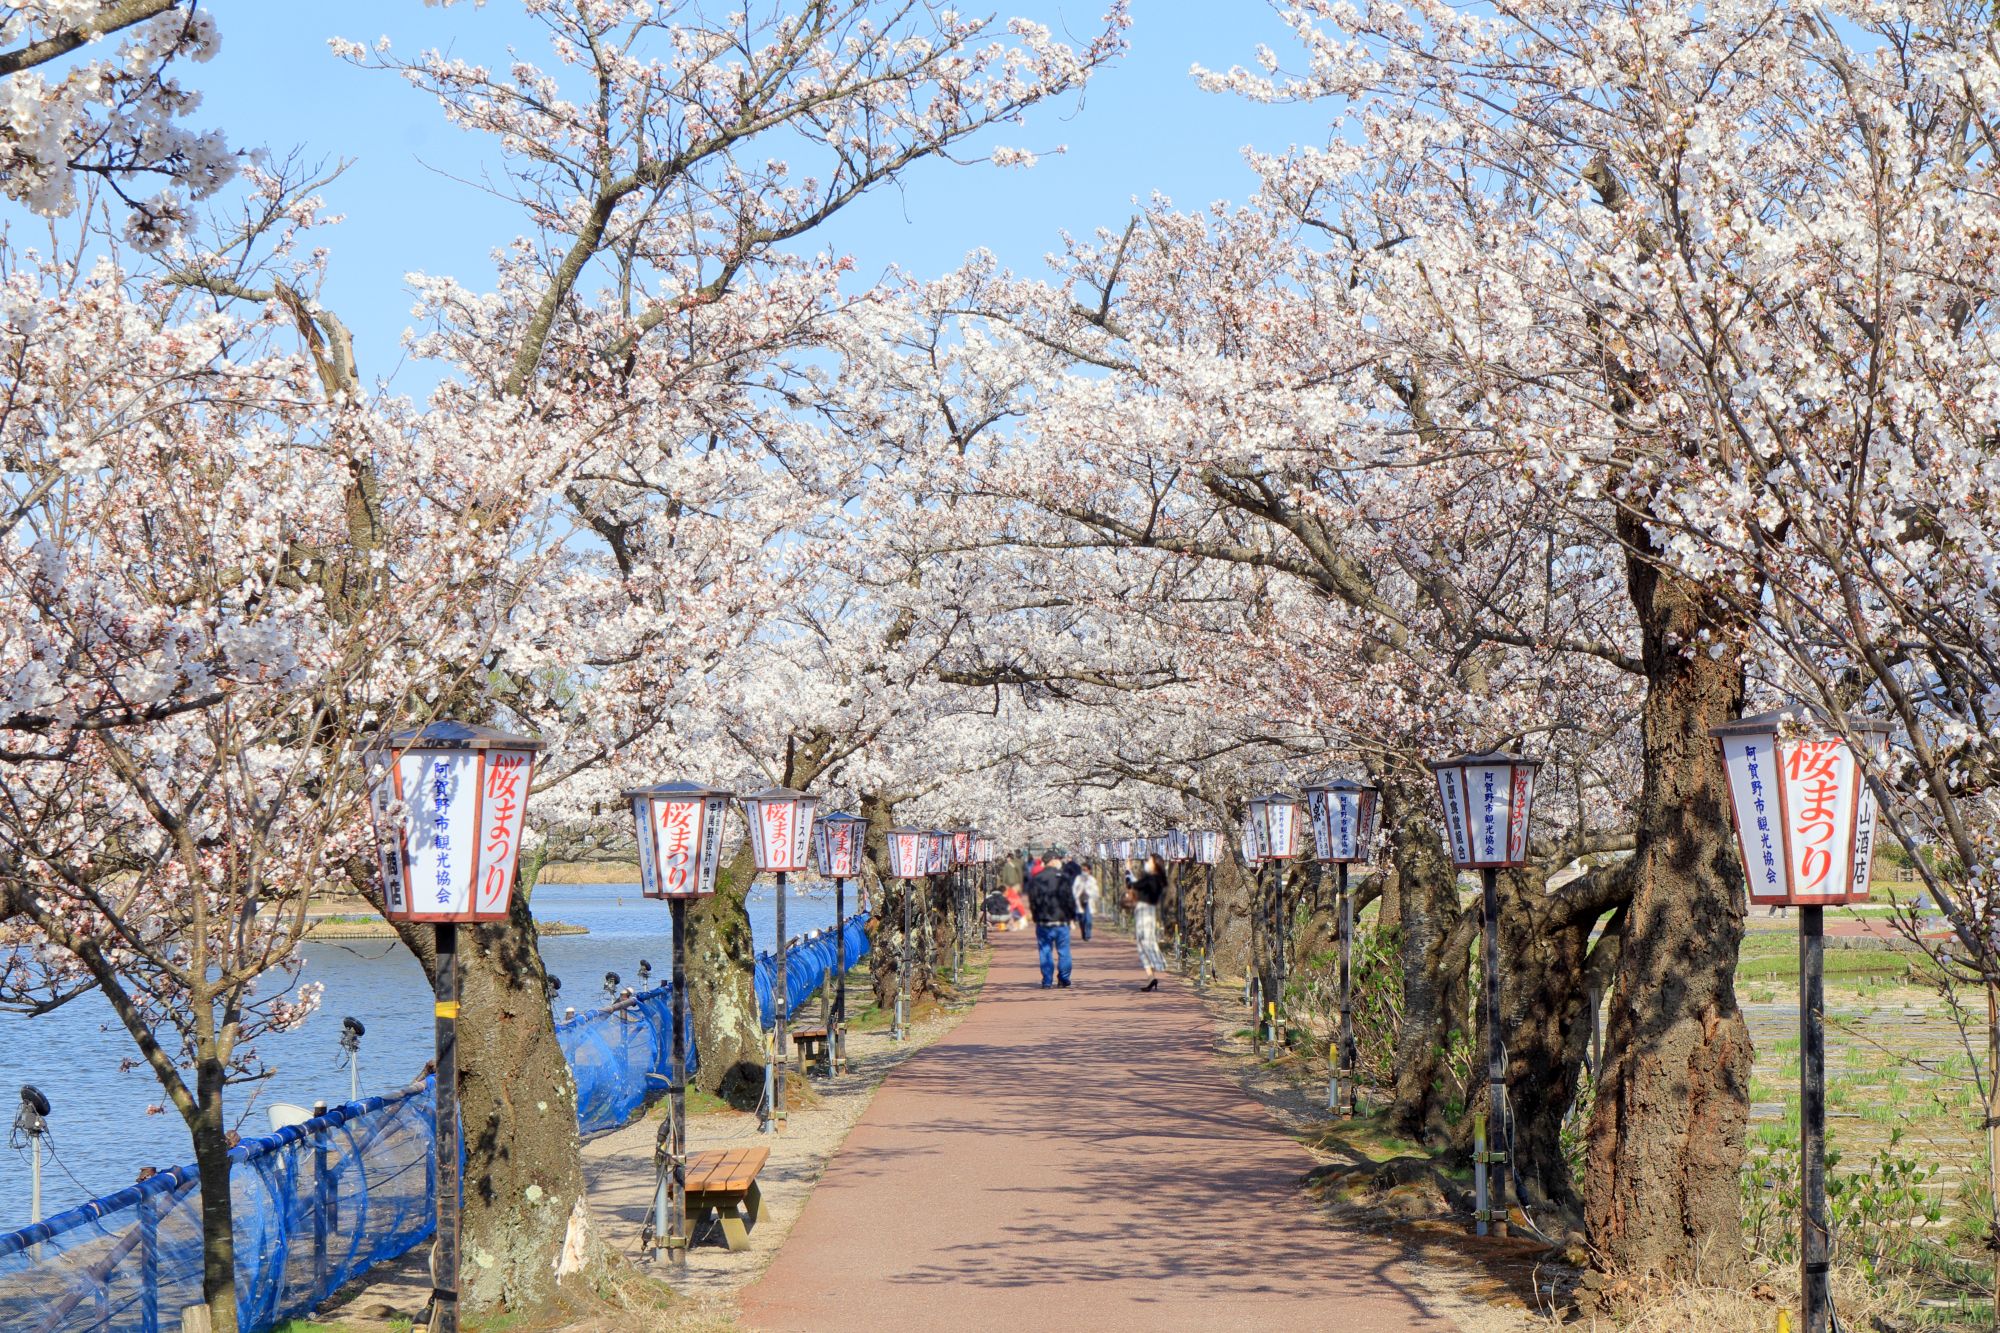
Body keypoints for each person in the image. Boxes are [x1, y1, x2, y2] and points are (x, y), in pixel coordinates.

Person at [1025, 856, 1079, 988]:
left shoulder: (1037, 878)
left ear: (1044, 863)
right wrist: (1072, 916)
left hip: (1044, 921)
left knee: (1045, 951)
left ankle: (1047, 981)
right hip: (1062, 921)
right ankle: (1064, 978)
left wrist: (1035, 915)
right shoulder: (1064, 878)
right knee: (1064, 950)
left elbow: (1033, 900)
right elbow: (1070, 900)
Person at [1130, 854, 1169, 991]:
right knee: (1141, 944)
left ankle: (1159, 962)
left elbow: (1133, 885)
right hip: (1146, 910)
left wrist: (1128, 871)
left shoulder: (1153, 879)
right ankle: (1151, 978)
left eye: (1149, 861)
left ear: (1155, 864)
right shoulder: (1156, 879)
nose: (1146, 863)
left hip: (1145, 911)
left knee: (1146, 941)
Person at [1072, 862, 1099, 941]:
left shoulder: (1092, 880)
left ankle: (1088, 935)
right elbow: (1074, 889)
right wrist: (1076, 896)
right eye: (1082, 870)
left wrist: (1089, 893)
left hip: (1089, 901)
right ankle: (1084, 932)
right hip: (1079, 901)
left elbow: (1095, 892)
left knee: (1088, 919)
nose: (1084, 871)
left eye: (1085, 870)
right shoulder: (1078, 878)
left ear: (1089, 870)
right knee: (1082, 919)